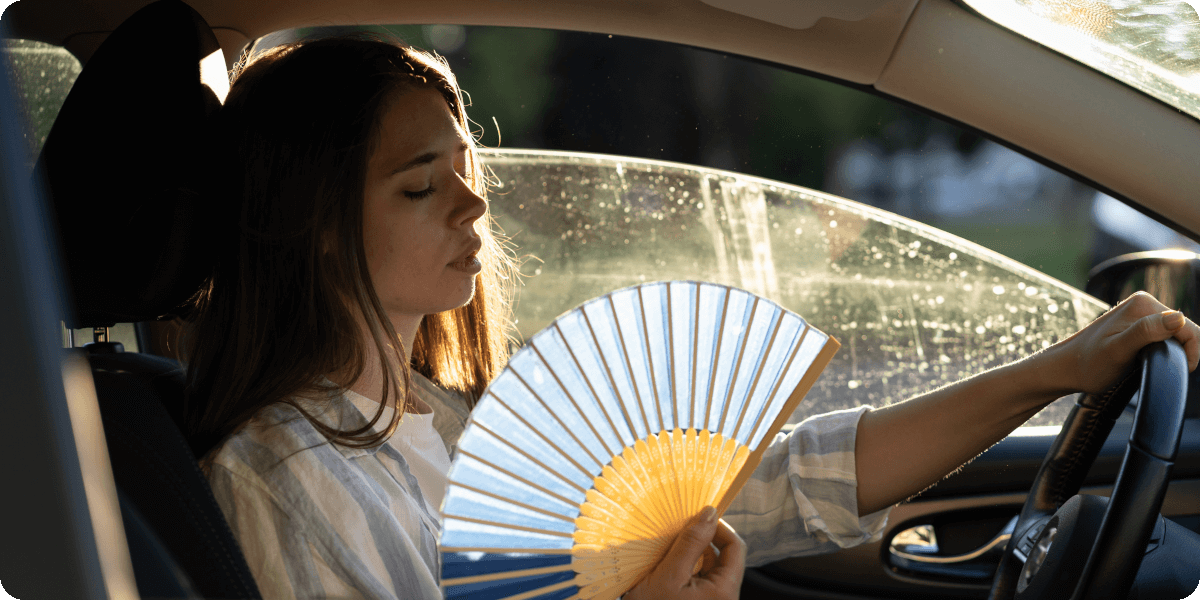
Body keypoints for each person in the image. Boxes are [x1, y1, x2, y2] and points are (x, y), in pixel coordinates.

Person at [183, 35, 1200, 600]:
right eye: (420, 186)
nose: (474, 205)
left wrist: (1049, 373)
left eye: (468, 170)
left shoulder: (457, 424)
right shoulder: (285, 483)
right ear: (312, 222)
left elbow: (778, 488)